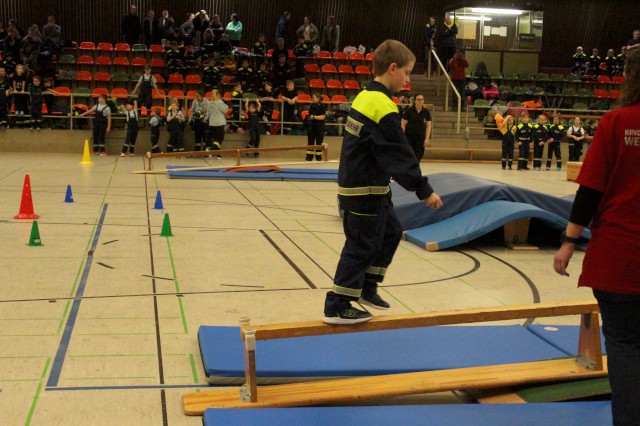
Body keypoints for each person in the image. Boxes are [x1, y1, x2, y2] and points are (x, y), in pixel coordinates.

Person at [323, 39, 443, 325]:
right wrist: (423, 189)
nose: (408, 79)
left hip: (373, 187)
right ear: (392, 68)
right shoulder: (382, 106)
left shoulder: (366, 95)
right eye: (407, 72)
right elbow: (398, 155)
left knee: (391, 231)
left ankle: (367, 285)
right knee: (362, 244)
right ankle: (338, 303)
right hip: (363, 190)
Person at [553, 45, 640, 426]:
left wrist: (569, 241)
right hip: (621, 255)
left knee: (623, 347)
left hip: (619, 257)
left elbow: (590, 190)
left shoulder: (616, 123)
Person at [401, 95, 432, 161]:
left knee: (418, 156)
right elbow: (403, 124)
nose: (420, 101)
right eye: (418, 99)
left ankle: (416, 169)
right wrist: (402, 136)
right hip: (409, 137)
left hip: (420, 138)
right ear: (415, 101)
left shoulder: (426, 112)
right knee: (410, 156)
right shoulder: (409, 111)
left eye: (422, 99)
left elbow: (428, 126)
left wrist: (427, 139)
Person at [204, 89, 229, 159]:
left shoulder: (209, 103)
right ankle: (210, 150)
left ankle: (218, 154)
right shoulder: (220, 102)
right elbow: (225, 110)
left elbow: (208, 114)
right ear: (218, 95)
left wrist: (205, 119)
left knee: (215, 140)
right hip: (219, 123)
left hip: (212, 124)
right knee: (219, 139)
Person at [305, 93, 326, 161]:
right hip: (312, 126)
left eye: (314, 97)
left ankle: (318, 157)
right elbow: (310, 114)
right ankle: (309, 157)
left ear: (318, 98)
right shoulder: (312, 105)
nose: (312, 99)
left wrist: (313, 117)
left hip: (320, 127)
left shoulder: (322, 106)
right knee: (310, 142)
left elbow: (322, 117)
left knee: (319, 142)